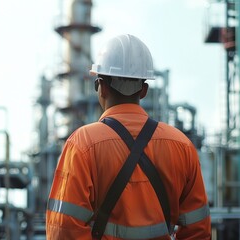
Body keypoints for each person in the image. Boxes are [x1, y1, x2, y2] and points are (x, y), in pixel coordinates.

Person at [45, 34, 211, 239]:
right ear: (144, 90)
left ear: (101, 86)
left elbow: (64, 230)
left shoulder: (82, 144)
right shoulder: (181, 145)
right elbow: (198, 231)